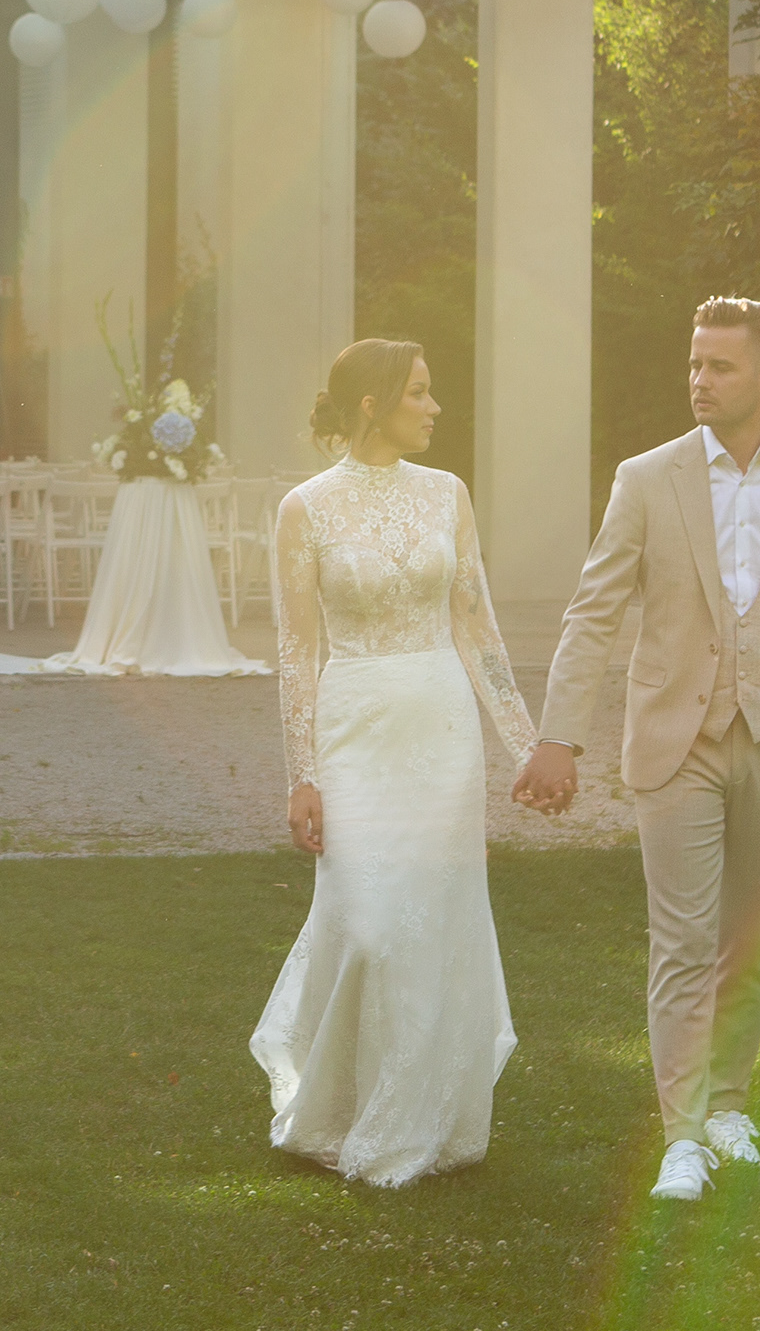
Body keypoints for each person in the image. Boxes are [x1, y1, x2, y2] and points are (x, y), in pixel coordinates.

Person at [514, 296, 760, 1203]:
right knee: (682, 940)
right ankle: (682, 1134)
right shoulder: (646, 478)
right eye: (695, 363)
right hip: (676, 740)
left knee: (751, 939)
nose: (699, 381)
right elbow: (593, 614)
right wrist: (558, 736)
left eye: (719, 366)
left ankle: (730, 1106)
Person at [248, 338, 537, 1185]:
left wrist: (527, 744)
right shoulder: (305, 508)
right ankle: (342, 1105)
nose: (435, 407)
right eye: (419, 392)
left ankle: (419, 1121)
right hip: (355, 726)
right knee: (370, 925)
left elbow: (477, 626)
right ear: (371, 404)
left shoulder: (448, 494)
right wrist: (301, 774)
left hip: (441, 728)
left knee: (433, 923)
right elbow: (296, 652)